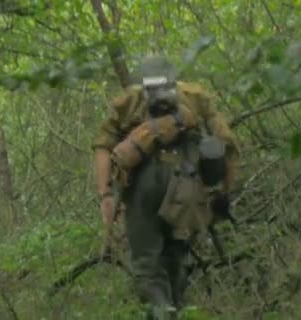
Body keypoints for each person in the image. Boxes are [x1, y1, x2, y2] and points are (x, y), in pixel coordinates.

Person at [92, 55, 240, 319]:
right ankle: (176, 309)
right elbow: (228, 145)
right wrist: (225, 192)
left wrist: (105, 195)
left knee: (147, 265)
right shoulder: (196, 96)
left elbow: (103, 147)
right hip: (186, 186)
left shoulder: (130, 100)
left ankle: (162, 311)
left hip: (142, 190)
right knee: (176, 255)